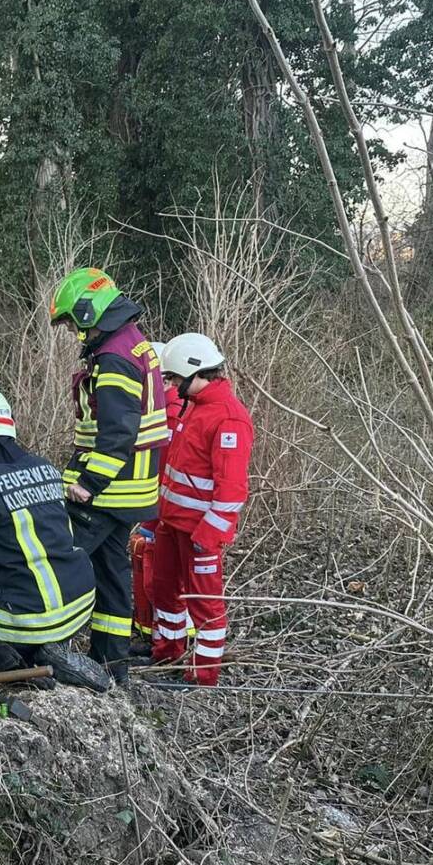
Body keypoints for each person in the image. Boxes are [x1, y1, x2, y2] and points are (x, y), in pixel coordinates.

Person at [0, 386, 108, 692]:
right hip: (78, 602)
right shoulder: (45, 467)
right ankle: (49, 649)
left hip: (24, 618)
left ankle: (19, 666)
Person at [49, 269, 169, 673]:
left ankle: (47, 649)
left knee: (59, 561)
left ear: (88, 311)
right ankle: (111, 662)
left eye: (71, 322)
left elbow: (117, 432)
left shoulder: (115, 358)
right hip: (132, 490)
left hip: (108, 490)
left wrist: (87, 482)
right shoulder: (133, 343)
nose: (71, 331)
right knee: (113, 574)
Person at [152, 333, 254, 686]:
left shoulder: (228, 418)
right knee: (164, 590)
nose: (172, 385)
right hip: (172, 523)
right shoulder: (195, 406)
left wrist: (207, 535)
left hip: (198, 533)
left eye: (175, 379)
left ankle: (202, 676)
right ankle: (168, 652)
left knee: (205, 605)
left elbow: (232, 490)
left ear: (196, 373)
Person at [129, 344, 184, 644]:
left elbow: (167, 473)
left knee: (165, 583)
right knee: (153, 579)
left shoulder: (173, 416)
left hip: (167, 515)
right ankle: (156, 637)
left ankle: (174, 643)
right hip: (157, 511)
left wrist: (153, 520)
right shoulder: (163, 412)